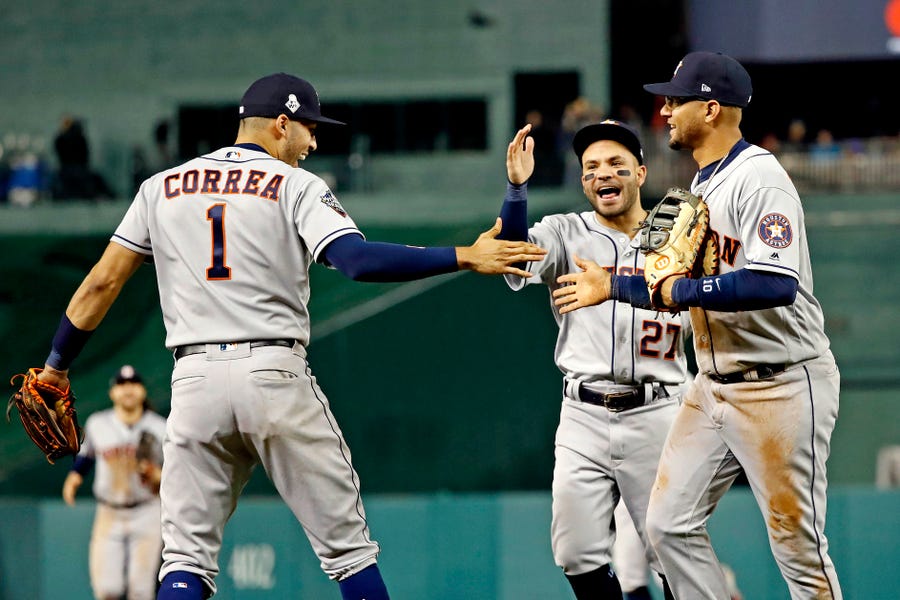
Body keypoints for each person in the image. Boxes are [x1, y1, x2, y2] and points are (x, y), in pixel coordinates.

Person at [34, 72, 546, 600]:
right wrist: (463, 255)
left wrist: (55, 365)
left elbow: (102, 282)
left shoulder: (160, 187)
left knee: (185, 559)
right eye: (309, 128)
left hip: (193, 382)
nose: (314, 141)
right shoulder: (294, 184)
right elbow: (355, 261)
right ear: (281, 124)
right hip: (272, 372)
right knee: (349, 551)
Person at [551, 51, 843, 599]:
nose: (664, 109)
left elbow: (773, 283)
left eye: (677, 100)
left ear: (710, 110)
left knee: (799, 552)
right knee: (665, 527)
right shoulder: (703, 186)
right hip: (713, 386)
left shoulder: (760, 179)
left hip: (780, 384)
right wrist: (613, 285)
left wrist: (683, 289)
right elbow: (669, 287)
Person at [499, 119, 686, 599]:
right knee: (576, 551)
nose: (603, 174)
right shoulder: (565, 231)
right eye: (592, 169)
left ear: (640, 173)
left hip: (660, 410)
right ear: (584, 182)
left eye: (616, 165)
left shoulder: (681, 234)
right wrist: (517, 190)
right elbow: (516, 257)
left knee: (675, 555)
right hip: (583, 412)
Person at [62, 364, 167, 600]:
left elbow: (175, 472)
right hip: (109, 512)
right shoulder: (98, 423)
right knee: (107, 590)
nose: (128, 389)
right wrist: (73, 479)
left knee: (140, 592)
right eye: (122, 384)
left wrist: (159, 476)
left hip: (147, 509)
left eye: (133, 384)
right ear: (112, 393)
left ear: (142, 391)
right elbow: (85, 457)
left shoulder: (161, 427)